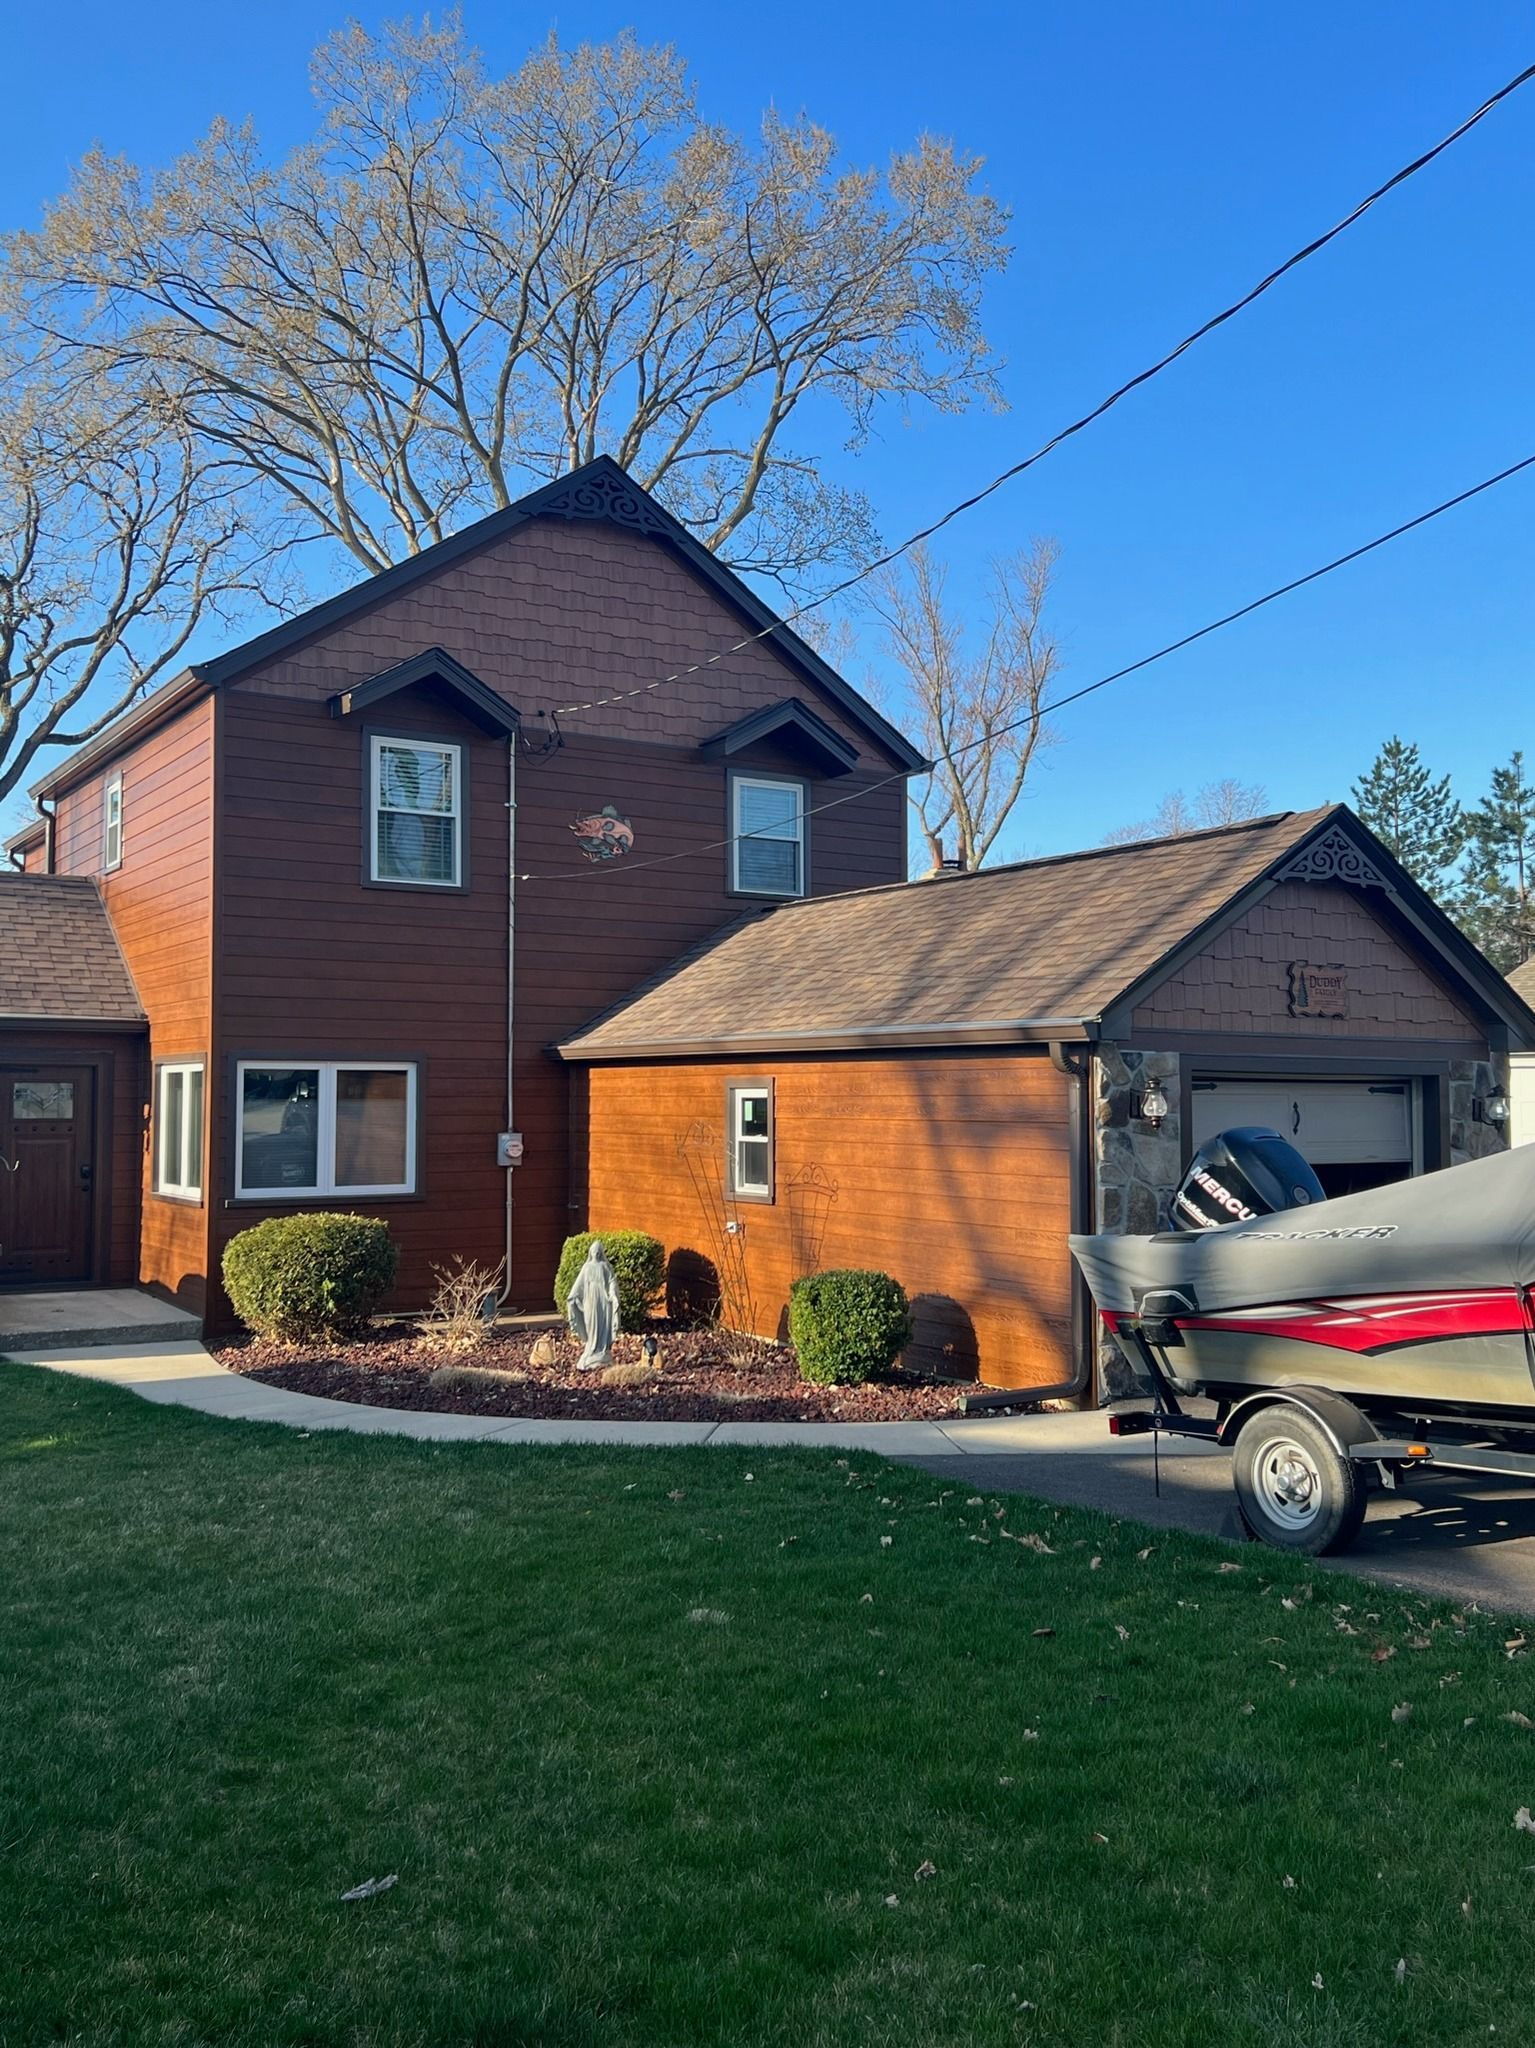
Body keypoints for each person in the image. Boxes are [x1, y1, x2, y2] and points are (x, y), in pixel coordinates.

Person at [566, 1239, 621, 1370]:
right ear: (590, 1252)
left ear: (601, 1252)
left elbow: (612, 1281)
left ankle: (602, 1350)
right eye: (594, 1251)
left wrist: (613, 1295)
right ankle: (591, 1348)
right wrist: (573, 1298)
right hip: (590, 1300)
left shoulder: (605, 1266)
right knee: (591, 1324)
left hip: (603, 1300)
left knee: (603, 1324)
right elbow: (578, 1285)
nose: (596, 1253)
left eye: (598, 1251)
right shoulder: (587, 1267)